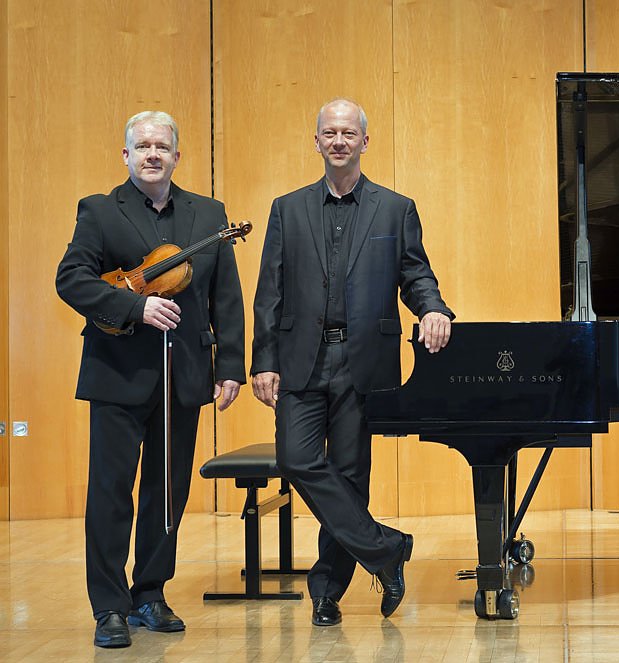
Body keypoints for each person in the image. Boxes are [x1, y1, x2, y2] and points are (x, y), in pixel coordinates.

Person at [251, 98, 454, 626]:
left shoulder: (395, 208)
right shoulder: (286, 209)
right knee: (295, 459)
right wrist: (263, 359)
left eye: (348, 133)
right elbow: (269, 291)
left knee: (348, 475)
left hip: (363, 360)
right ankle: (385, 548)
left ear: (365, 141)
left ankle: (327, 591)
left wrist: (433, 309)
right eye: (329, 133)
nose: (338, 141)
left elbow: (415, 274)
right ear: (316, 141)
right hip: (301, 358)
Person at [55, 111, 246, 648]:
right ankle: (109, 606)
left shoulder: (209, 214)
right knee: (111, 492)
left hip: (183, 374)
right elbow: (71, 279)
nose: (152, 154)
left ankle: (150, 594)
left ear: (177, 156)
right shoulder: (99, 211)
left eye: (162, 146)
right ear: (126, 155)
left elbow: (226, 296)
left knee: (167, 492)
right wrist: (135, 307)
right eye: (142, 146)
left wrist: (230, 366)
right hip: (117, 373)